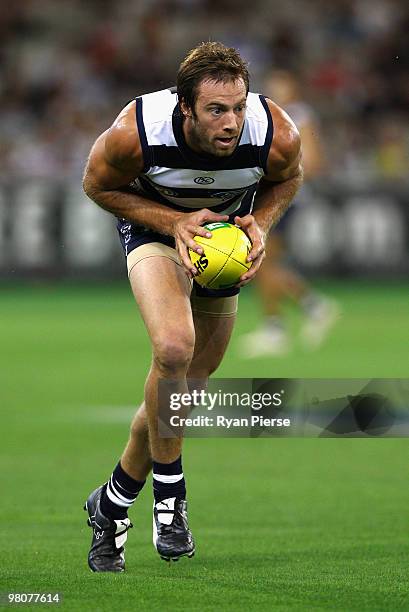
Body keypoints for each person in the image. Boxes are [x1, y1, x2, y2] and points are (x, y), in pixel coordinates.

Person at [82, 42, 303, 572]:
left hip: (223, 242)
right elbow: (96, 185)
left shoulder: (277, 135)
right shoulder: (135, 133)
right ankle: (170, 499)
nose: (232, 122)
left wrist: (262, 224)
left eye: (239, 107)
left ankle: (110, 504)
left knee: (184, 389)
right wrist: (172, 222)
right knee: (175, 348)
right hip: (157, 230)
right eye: (215, 110)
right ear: (185, 107)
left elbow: (288, 179)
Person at [240, 69, 340, 357]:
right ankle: (305, 311)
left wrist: (279, 176)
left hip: (286, 199)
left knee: (262, 261)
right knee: (263, 263)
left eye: (281, 83)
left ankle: (281, 326)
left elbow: (315, 160)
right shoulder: (274, 115)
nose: (275, 89)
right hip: (275, 197)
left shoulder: (298, 114)